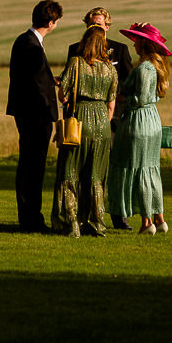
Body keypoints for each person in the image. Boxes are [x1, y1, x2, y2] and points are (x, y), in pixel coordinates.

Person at [68, 6, 135, 230]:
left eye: (100, 24)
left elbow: (130, 82)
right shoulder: (75, 50)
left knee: (113, 168)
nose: (96, 28)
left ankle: (118, 215)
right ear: (87, 25)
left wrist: (112, 99)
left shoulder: (120, 49)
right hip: (81, 119)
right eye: (92, 24)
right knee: (80, 169)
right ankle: (80, 215)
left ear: (107, 26)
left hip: (113, 119)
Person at [52, 25, 117, 238]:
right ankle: (97, 223)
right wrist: (103, 124)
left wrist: (70, 100)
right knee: (96, 175)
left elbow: (63, 94)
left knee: (69, 171)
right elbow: (111, 104)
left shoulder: (76, 63)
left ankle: (71, 222)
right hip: (102, 124)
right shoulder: (110, 69)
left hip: (80, 118)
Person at [108, 23, 172, 236]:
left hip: (139, 121)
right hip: (151, 120)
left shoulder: (144, 68)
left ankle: (146, 222)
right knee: (150, 169)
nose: (133, 43)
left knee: (139, 169)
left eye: (136, 39)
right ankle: (158, 217)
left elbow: (141, 99)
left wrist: (120, 97)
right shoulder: (154, 66)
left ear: (143, 42)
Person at [6, 0, 62, 233]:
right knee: (33, 167)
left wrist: (51, 80)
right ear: (51, 22)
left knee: (29, 166)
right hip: (35, 115)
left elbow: (34, 77)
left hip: (26, 112)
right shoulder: (32, 45)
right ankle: (31, 219)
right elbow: (36, 84)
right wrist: (52, 114)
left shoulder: (24, 40)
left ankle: (28, 216)